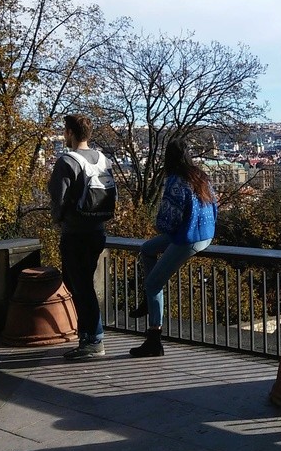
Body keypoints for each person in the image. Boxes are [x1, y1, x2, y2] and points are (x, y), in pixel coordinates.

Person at [127, 137, 218, 358]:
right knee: (147, 249)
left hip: (188, 237)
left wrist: (160, 224)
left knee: (152, 283)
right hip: (204, 233)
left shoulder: (176, 181)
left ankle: (154, 340)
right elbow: (215, 204)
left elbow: (168, 219)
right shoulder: (200, 176)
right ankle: (150, 299)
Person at [48, 114, 112, 360]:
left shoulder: (67, 161)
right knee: (82, 284)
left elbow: (58, 198)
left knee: (80, 286)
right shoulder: (101, 158)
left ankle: (94, 340)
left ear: (70, 133)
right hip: (97, 232)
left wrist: (59, 219)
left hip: (75, 233)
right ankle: (87, 337)